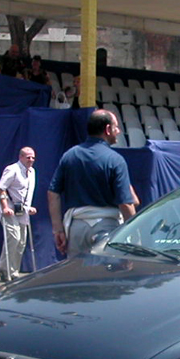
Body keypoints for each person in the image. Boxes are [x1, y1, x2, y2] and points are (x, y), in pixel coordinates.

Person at [48, 109, 136, 256]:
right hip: (107, 227)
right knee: (108, 276)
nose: (119, 131)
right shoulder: (115, 160)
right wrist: (135, 233)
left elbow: (53, 193)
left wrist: (58, 229)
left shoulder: (69, 156)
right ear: (108, 129)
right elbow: (126, 203)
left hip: (76, 228)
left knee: (78, 276)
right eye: (116, 127)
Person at [0, 147, 37, 281]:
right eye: (28, 157)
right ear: (21, 157)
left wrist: (29, 207)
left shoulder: (32, 172)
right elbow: (1, 188)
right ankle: (4, 269)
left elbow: (26, 192)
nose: (31, 160)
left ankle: (14, 271)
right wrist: (5, 207)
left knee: (21, 242)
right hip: (11, 208)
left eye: (32, 158)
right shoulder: (12, 169)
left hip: (22, 210)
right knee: (13, 237)